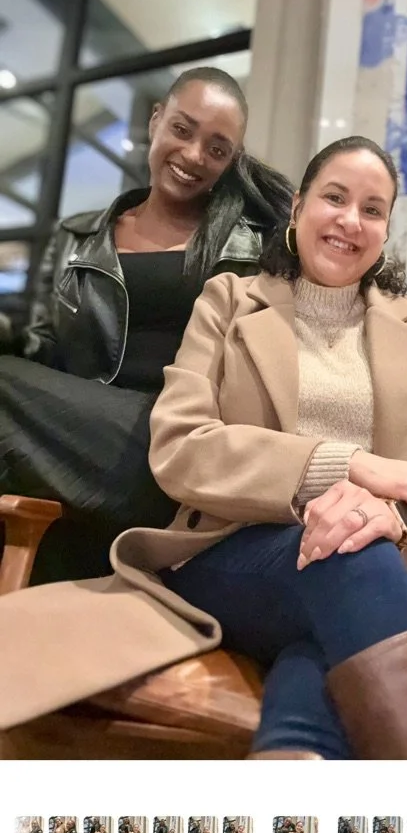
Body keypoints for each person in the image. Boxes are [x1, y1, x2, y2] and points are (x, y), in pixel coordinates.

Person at [3, 136, 407, 761]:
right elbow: (182, 444)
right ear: (298, 209)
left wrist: (390, 514)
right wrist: (348, 466)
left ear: (386, 230)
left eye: (372, 209)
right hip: (233, 557)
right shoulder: (228, 302)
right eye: (334, 198)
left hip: (388, 562)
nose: (349, 220)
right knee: (349, 561)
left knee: (326, 631)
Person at [0, 65, 293, 582]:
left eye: (217, 148)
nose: (194, 155)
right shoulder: (78, 235)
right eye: (183, 129)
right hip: (80, 439)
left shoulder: (252, 246)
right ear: (156, 121)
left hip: (177, 446)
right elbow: (49, 351)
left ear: (231, 162)